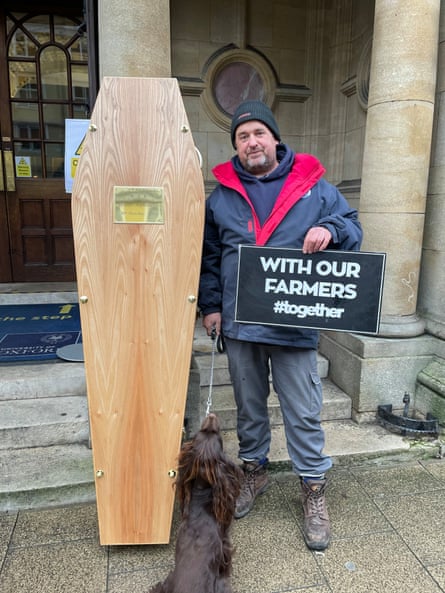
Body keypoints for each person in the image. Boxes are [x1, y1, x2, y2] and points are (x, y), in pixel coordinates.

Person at [198, 100, 362, 551]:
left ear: (274, 138)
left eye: (258, 133)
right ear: (236, 146)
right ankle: (254, 473)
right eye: (242, 137)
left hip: (294, 322)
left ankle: (312, 489)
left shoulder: (316, 188)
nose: (251, 142)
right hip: (240, 323)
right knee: (250, 407)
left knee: (303, 409)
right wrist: (211, 307)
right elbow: (209, 256)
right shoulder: (221, 195)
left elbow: (353, 227)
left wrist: (330, 229)